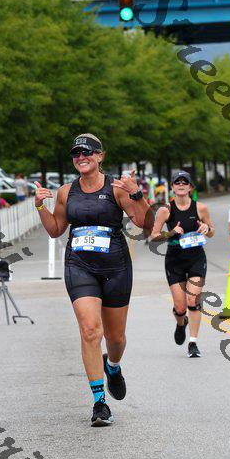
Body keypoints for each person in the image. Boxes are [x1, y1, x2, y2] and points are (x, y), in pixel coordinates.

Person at [35, 133, 152, 427]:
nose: (81, 157)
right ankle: (100, 402)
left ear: (100, 156)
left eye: (87, 152)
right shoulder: (66, 192)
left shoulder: (116, 188)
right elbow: (56, 229)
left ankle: (112, 365)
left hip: (116, 267)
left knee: (116, 338)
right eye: (76, 153)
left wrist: (136, 194)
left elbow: (146, 225)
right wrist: (39, 207)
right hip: (79, 266)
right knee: (90, 331)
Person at [151, 171, 215, 359]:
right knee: (180, 307)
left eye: (184, 182)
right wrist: (171, 233)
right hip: (174, 260)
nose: (181, 185)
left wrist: (206, 228)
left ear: (190, 187)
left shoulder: (200, 208)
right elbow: (154, 236)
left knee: (193, 300)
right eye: (177, 182)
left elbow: (212, 231)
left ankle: (193, 342)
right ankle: (181, 323)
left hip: (196, 257)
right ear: (172, 187)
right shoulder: (165, 210)